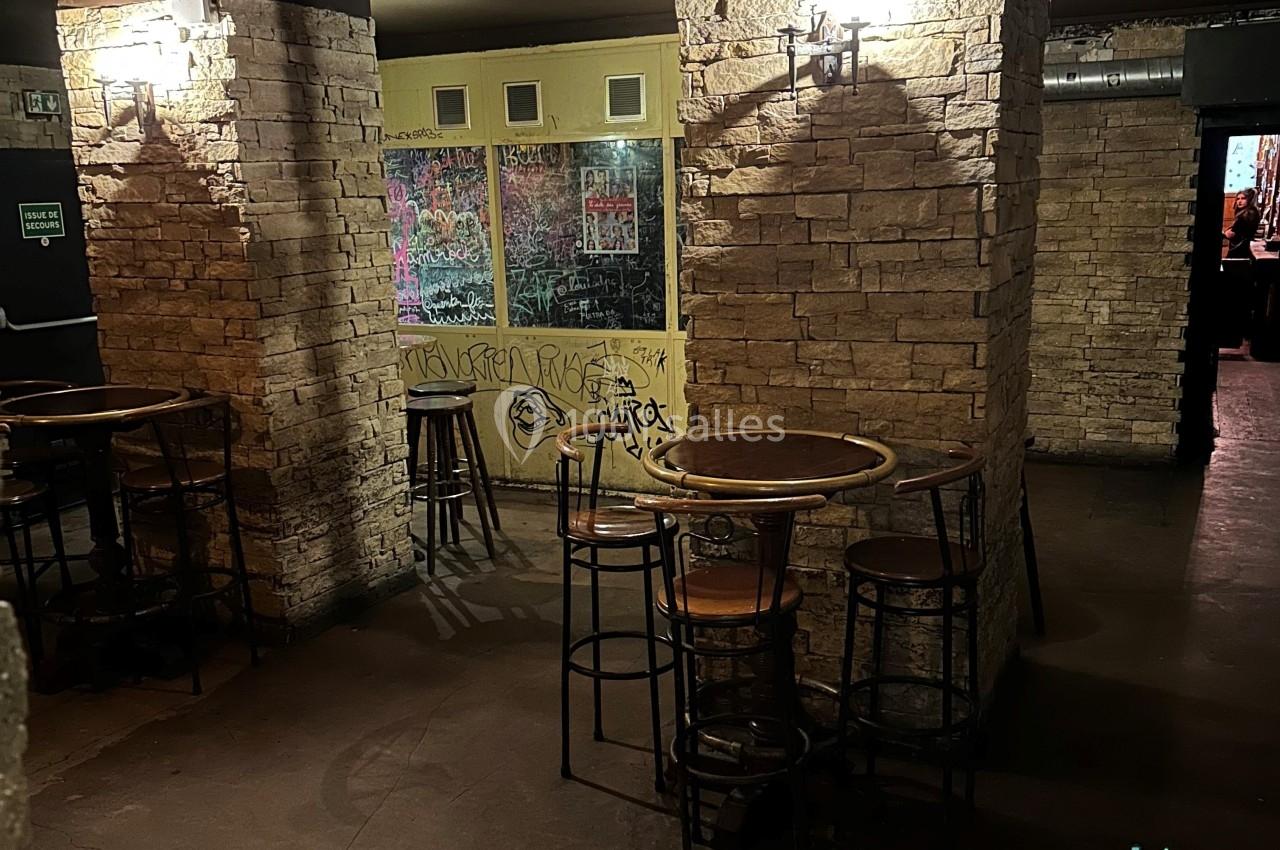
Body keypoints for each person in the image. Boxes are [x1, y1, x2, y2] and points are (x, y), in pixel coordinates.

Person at [1224, 188, 1261, 260]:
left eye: (1243, 198)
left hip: (1239, 250)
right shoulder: (1252, 212)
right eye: (1238, 199)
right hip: (1244, 248)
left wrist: (1226, 232)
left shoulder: (1247, 214)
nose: (1239, 201)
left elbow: (1230, 234)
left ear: (1249, 200)